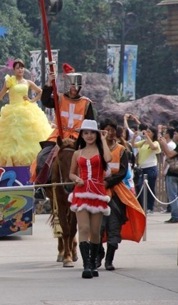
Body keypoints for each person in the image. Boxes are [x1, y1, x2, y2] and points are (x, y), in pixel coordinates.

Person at [0, 59, 52, 167]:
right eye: (18, 68)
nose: (20, 70)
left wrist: (31, 100)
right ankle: (12, 163)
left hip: (26, 110)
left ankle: (32, 164)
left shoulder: (28, 82)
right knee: (11, 137)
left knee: (29, 136)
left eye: (22, 67)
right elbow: (0, 96)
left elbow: (41, 92)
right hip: (12, 111)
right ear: (14, 69)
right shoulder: (9, 81)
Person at [97, 118, 144, 271]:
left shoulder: (122, 150)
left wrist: (108, 183)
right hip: (98, 192)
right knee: (97, 227)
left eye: (112, 130)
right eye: (106, 130)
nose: (110, 133)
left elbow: (123, 172)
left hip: (117, 192)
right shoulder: (96, 149)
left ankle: (109, 260)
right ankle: (99, 254)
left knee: (114, 227)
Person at [35, 64, 94, 183]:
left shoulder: (86, 103)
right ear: (67, 85)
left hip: (78, 138)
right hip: (59, 136)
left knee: (93, 160)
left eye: (76, 86)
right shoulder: (60, 98)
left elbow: (91, 124)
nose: (74, 89)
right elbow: (45, 101)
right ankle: (41, 186)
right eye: (72, 85)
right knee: (43, 156)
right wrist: (49, 83)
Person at [68, 119, 111, 279]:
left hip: (98, 192)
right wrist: (75, 179)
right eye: (85, 133)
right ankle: (86, 266)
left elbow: (108, 159)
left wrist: (104, 139)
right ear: (82, 135)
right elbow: (71, 173)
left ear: (96, 134)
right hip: (80, 192)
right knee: (83, 228)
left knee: (95, 231)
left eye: (92, 132)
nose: (89, 136)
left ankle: (93, 263)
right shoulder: (77, 153)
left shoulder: (101, 151)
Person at [159, 126, 178, 223]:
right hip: (177, 172)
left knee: (173, 195)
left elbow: (170, 155)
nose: (174, 135)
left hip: (173, 172)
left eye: (176, 134)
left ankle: (176, 215)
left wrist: (164, 144)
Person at [133, 125, 160, 213]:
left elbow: (153, 147)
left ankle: (150, 207)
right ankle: (143, 205)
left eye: (149, 132)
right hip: (142, 168)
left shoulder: (155, 142)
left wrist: (148, 138)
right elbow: (134, 145)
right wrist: (134, 137)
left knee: (150, 188)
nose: (147, 133)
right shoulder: (143, 142)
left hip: (151, 168)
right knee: (141, 186)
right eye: (146, 131)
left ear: (153, 134)